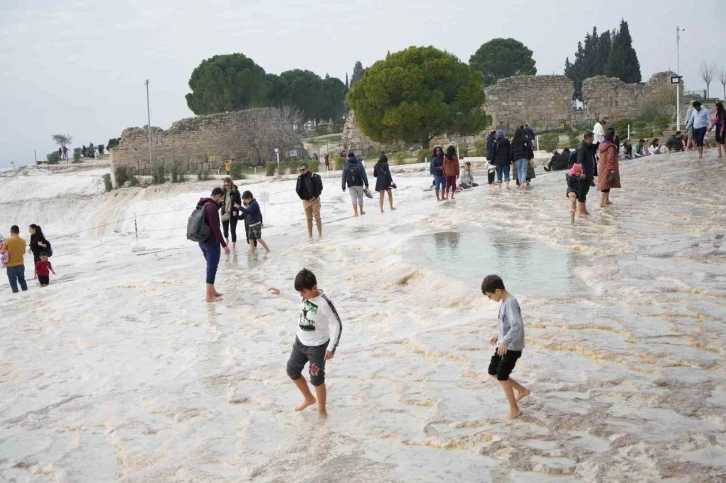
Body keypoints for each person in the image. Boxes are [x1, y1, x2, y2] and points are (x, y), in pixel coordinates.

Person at [268, 268, 342, 420]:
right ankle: (309, 398)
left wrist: (331, 347)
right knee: (292, 371)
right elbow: (297, 299)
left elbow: (337, 324)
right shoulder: (304, 296)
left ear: (314, 288)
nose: (302, 295)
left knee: (316, 378)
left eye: (304, 292)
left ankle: (322, 410)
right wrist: (281, 293)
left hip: (318, 346)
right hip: (300, 342)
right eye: (300, 292)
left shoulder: (325, 303)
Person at [481, 274, 529, 420]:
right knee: (493, 371)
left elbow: (516, 325)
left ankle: (514, 410)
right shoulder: (504, 302)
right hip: (504, 344)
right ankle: (522, 390)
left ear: (497, 291)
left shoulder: (510, 303)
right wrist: (499, 335)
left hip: (512, 346)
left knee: (502, 375)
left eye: (489, 296)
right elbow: (506, 325)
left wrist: (505, 341)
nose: (490, 299)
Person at [197, 188, 230, 302]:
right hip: (212, 242)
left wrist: (221, 203)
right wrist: (224, 244)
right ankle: (209, 296)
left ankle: (212, 292)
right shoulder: (211, 208)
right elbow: (215, 228)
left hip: (202, 242)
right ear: (218, 195)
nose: (220, 200)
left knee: (210, 266)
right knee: (212, 268)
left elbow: (214, 207)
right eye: (221, 197)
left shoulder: (204, 204)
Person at [237, 190, 270, 254]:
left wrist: (239, 207)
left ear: (249, 198)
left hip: (256, 224)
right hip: (251, 225)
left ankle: (268, 250)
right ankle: (252, 253)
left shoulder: (254, 204)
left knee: (258, 238)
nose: (245, 201)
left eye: (245, 200)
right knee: (250, 239)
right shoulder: (251, 203)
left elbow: (248, 211)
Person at [296, 163, 323, 238]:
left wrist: (315, 196)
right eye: (300, 170)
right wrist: (302, 197)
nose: (302, 171)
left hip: (315, 200)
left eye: (303, 169)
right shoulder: (299, 178)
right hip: (306, 201)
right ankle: (310, 236)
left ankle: (320, 234)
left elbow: (319, 187)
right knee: (309, 218)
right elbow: (297, 189)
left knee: (317, 217)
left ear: (307, 169)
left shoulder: (314, 176)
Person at [1, 225, 28, 293]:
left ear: (11, 231)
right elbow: (23, 252)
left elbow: (2, 251)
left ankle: (17, 297)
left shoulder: (8, 241)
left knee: (13, 284)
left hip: (11, 266)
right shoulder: (23, 241)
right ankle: (26, 295)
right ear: (18, 231)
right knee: (22, 280)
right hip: (21, 264)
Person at [341, 151, 369, 216]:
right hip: (359, 183)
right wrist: (366, 183)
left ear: (348, 157)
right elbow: (363, 174)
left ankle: (356, 213)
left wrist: (343, 186)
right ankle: (361, 211)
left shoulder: (346, 165)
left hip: (351, 184)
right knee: (360, 198)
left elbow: (344, 176)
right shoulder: (359, 164)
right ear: (354, 156)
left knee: (353, 198)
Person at [598, 128, 620, 208]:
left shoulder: (602, 145)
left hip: (602, 167)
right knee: (605, 184)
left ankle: (606, 200)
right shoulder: (610, 147)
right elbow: (610, 159)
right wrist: (612, 170)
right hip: (608, 168)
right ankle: (602, 202)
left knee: (607, 184)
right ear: (612, 136)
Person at [220, 178, 241, 250]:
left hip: (233, 213)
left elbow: (239, 203)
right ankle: (227, 239)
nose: (227, 186)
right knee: (225, 231)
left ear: (231, 184)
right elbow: (218, 201)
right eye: (225, 185)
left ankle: (234, 245)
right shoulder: (222, 191)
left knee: (233, 230)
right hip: (224, 212)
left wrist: (236, 211)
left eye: (228, 185)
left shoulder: (236, 192)